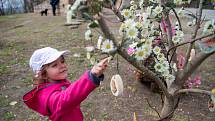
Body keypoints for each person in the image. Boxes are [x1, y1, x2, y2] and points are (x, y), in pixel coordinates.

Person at [23, 47, 108, 121]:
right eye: (54, 65)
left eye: (62, 61)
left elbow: (74, 93)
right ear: (44, 74)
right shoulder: (48, 96)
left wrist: (96, 75)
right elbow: (65, 99)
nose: (62, 65)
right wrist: (91, 76)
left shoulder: (58, 81)